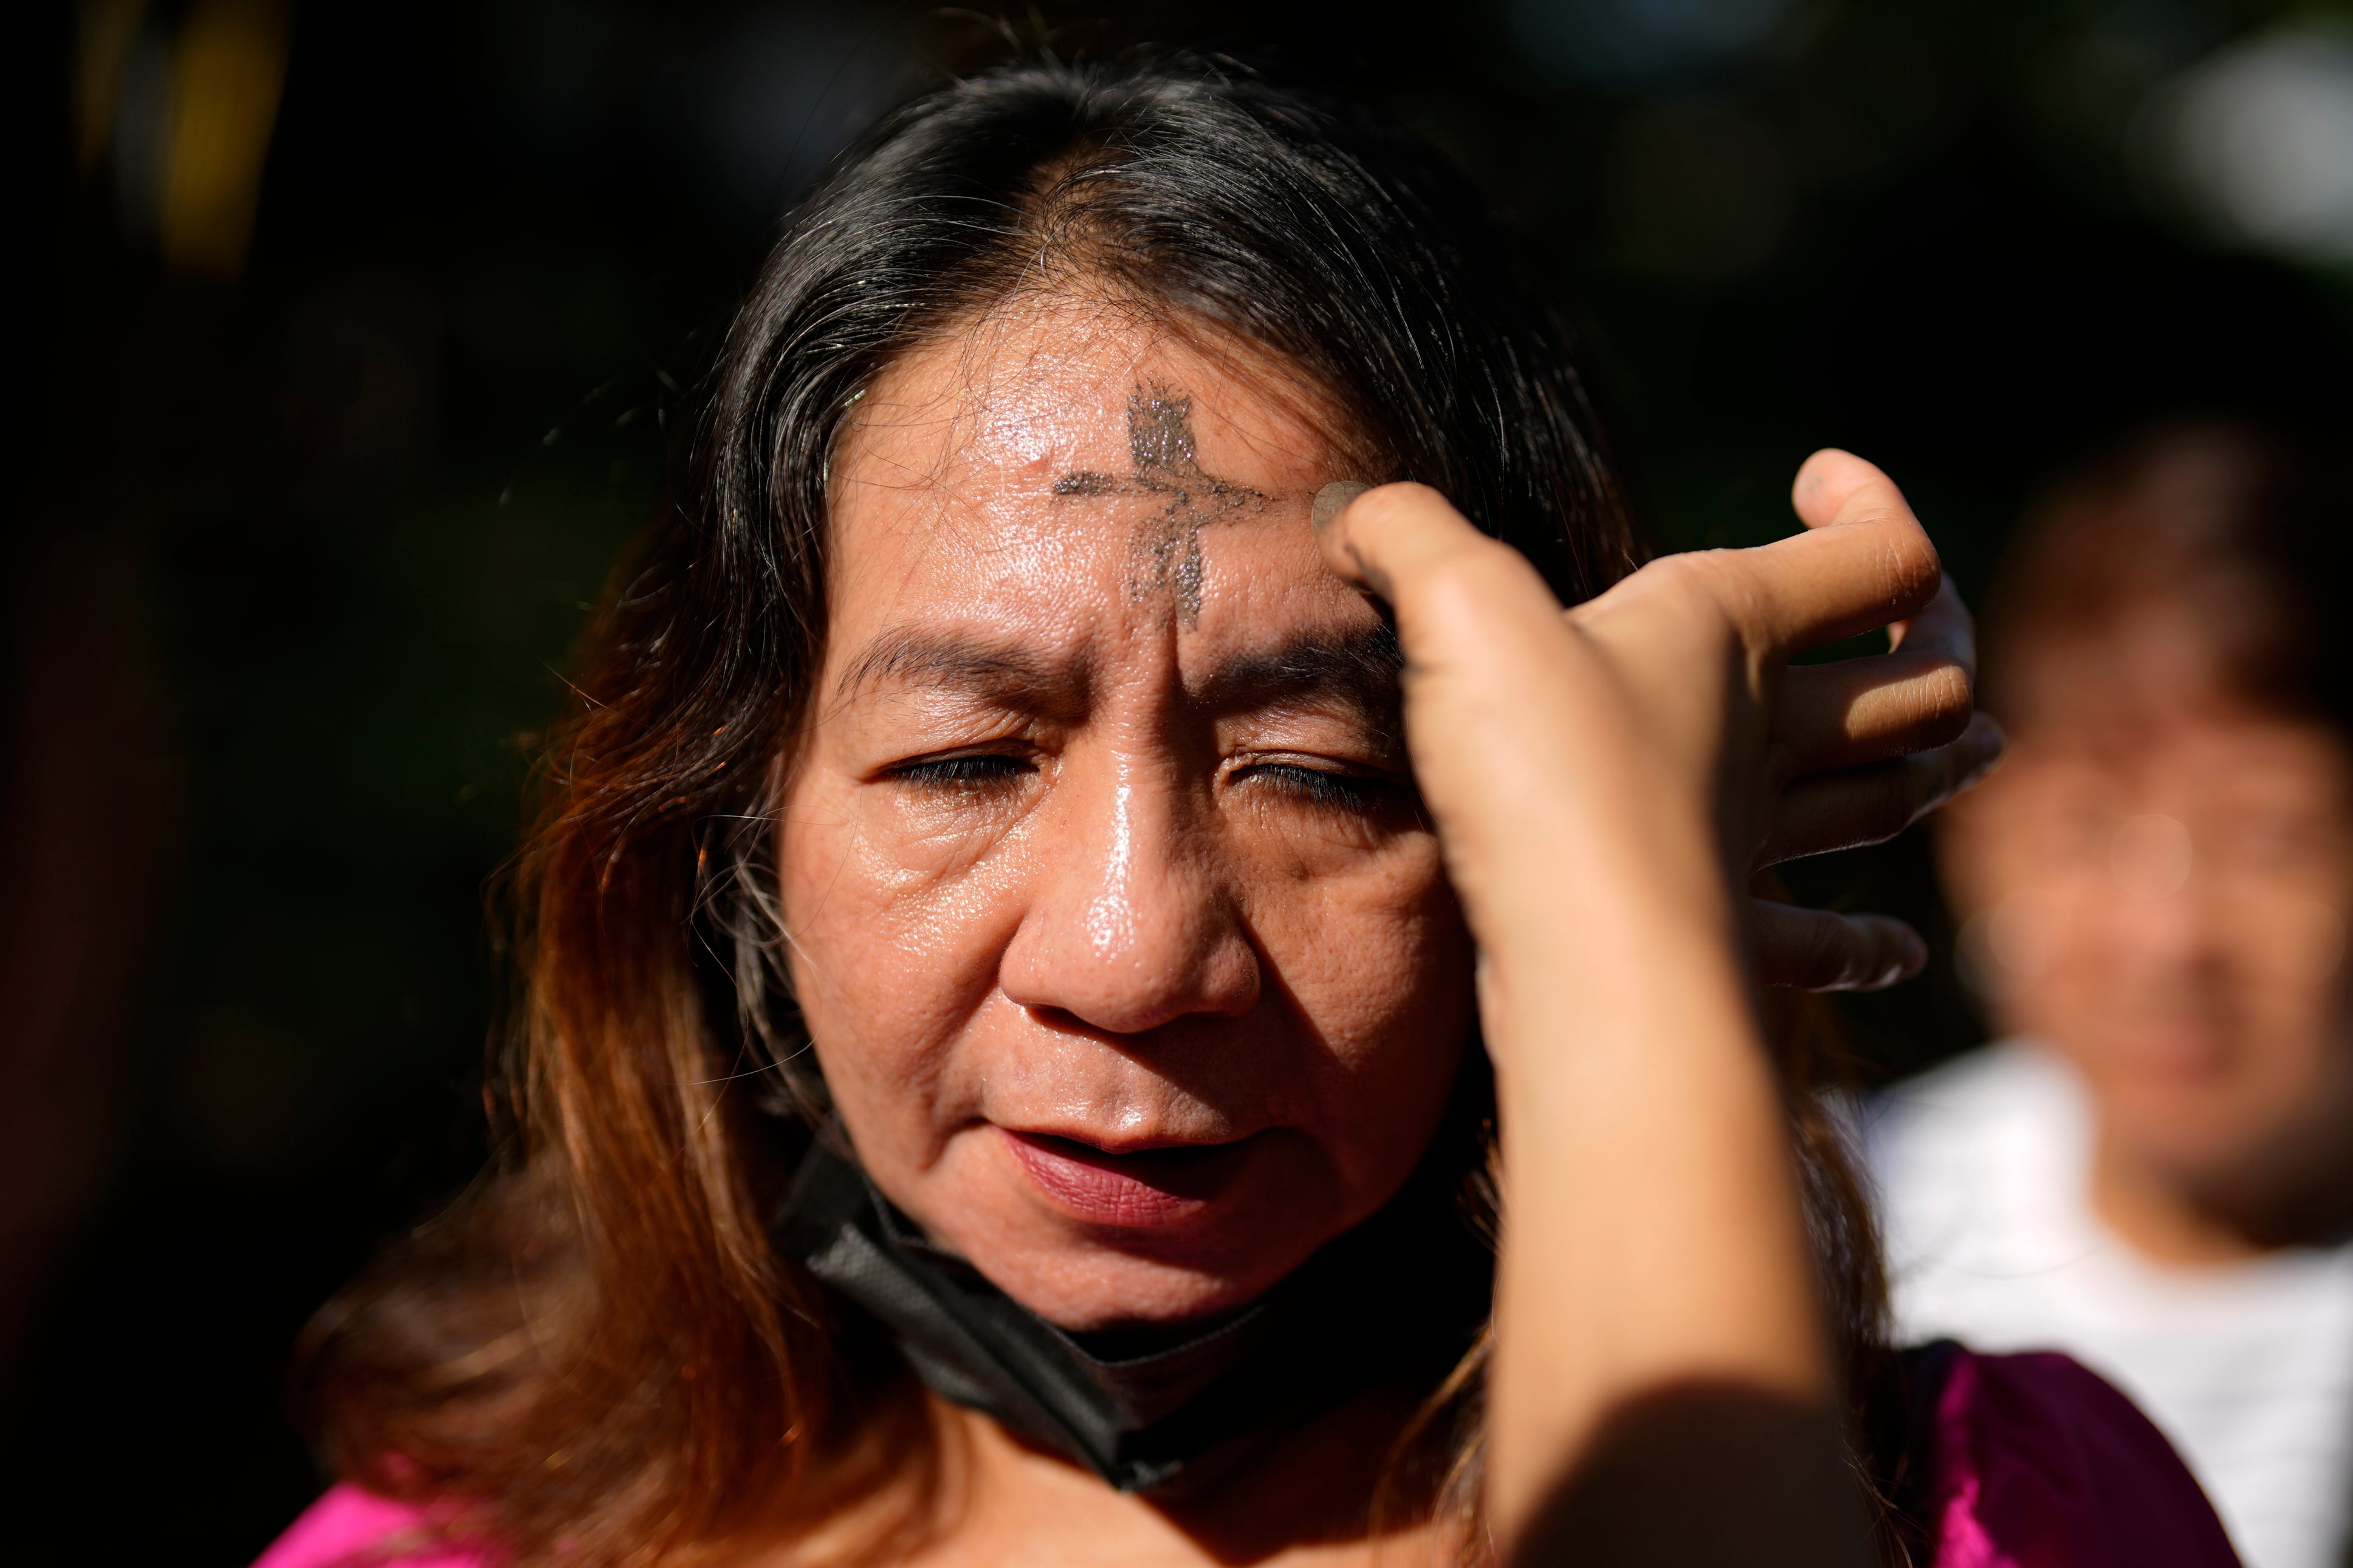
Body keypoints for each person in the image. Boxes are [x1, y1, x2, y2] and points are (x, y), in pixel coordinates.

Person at [254, 56, 2237, 1568]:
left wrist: (1627, 951)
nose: (1136, 955)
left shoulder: (1990, 1513)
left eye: (1322, 771)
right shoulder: (458, 1541)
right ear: (737, 823)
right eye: (965, 759)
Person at [1866, 423, 2353, 1568]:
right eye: (2086, 828)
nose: (2167, 937)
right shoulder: (1841, 1226)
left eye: (2270, 839)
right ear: (1975, 847)